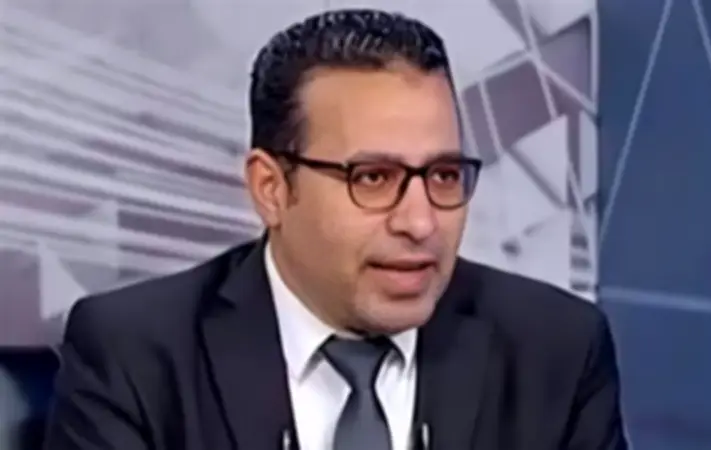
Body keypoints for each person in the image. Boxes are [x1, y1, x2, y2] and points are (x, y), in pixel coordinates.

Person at [44, 8, 627, 450]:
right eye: (372, 178)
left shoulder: (555, 351)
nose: (420, 221)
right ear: (271, 188)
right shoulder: (136, 357)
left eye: (444, 176)